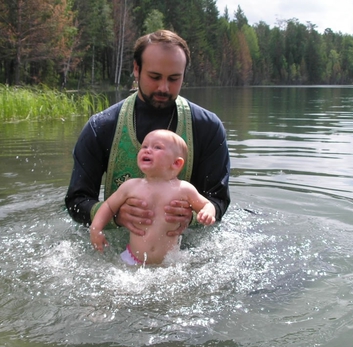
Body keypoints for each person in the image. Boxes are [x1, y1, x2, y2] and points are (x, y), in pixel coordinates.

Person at [65, 29, 230, 237]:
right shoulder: (101, 127)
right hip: (114, 250)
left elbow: (219, 200)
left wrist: (192, 217)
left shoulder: (207, 127)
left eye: (174, 79)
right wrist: (115, 215)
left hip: (184, 251)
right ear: (136, 69)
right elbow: (76, 202)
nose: (164, 87)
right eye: (155, 77)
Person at [90, 130, 216, 265]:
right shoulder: (131, 186)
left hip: (170, 262)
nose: (147, 150)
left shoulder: (184, 189)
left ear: (176, 163)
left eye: (157, 147)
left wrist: (207, 212)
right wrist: (96, 228)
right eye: (144, 146)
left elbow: (207, 204)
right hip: (132, 259)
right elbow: (108, 206)